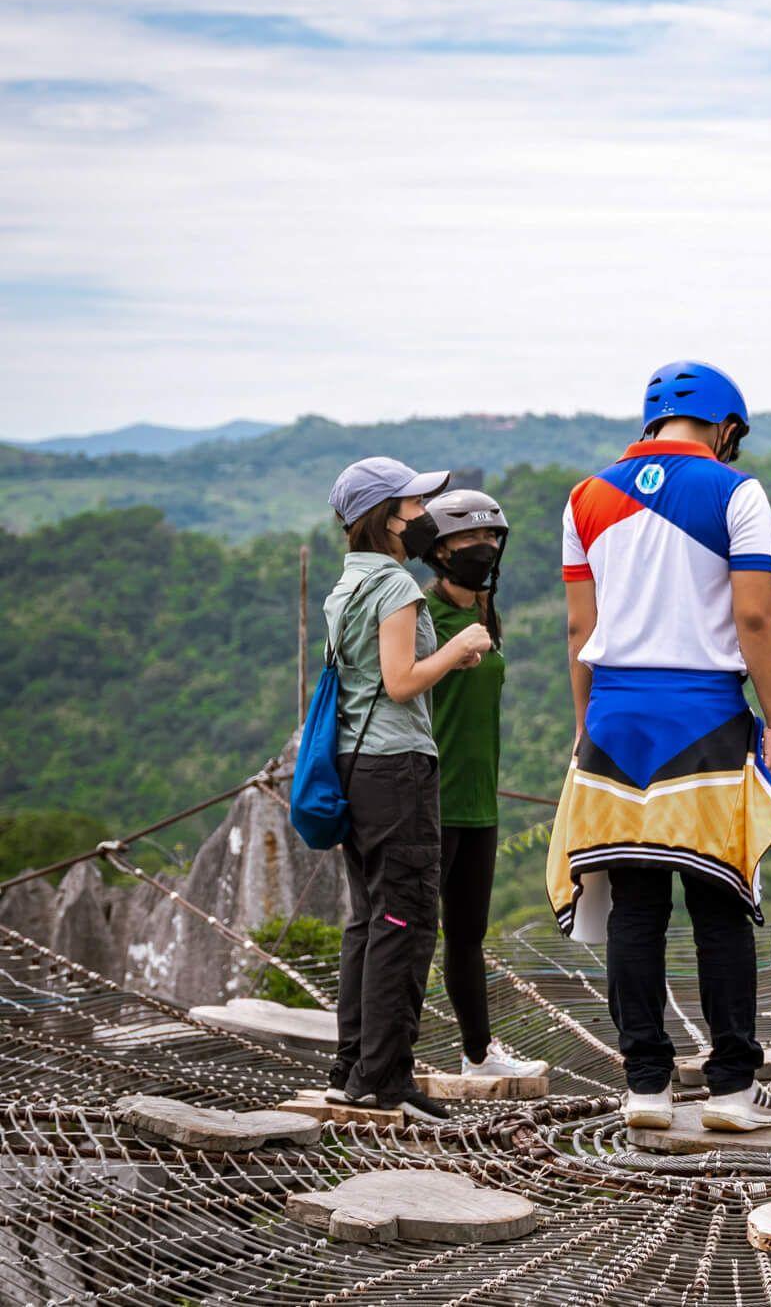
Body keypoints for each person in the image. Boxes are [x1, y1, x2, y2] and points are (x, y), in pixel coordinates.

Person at [546, 360, 771, 1134]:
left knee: (635, 909)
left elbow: (580, 631)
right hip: (706, 718)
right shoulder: (736, 492)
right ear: (725, 428)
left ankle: (646, 1087)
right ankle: (729, 1090)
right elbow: (753, 619)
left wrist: (587, 724)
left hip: (616, 718)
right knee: (721, 905)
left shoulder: (585, 498)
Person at [323, 457, 494, 1124]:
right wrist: (460, 647)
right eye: (413, 504)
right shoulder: (393, 583)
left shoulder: (349, 582)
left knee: (369, 919)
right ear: (385, 516)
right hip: (397, 767)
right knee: (407, 918)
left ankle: (352, 1068)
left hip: (355, 764)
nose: (424, 515)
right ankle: (388, 1078)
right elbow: (400, 681)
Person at [417, 488, 548, 1082]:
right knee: (410, 933)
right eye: (470, 540)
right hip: (426, 798)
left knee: (466, 934)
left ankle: (477, 1053)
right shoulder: (419, 617)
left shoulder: (484, 613)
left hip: (478, 801)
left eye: (492, 538)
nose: (485, 549)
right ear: (440, 551)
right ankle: (387, 1051)